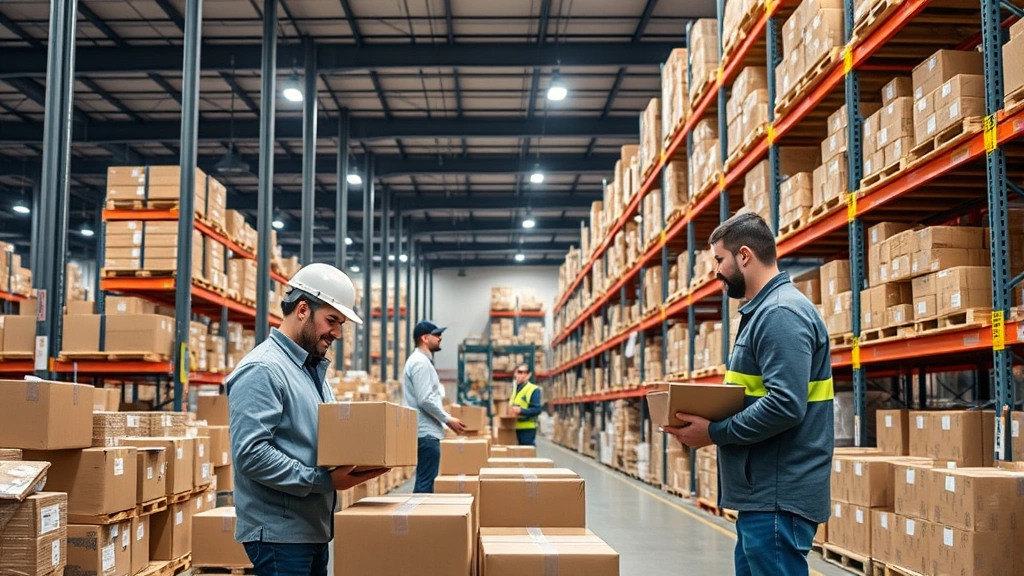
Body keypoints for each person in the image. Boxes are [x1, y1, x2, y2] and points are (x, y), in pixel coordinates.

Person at [662, 212, 834, 576]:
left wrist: (714, 432)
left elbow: (785, 405)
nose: (716, 272)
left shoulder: (780, 313)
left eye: (719, 260)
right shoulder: (762, 312)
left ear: (744, 255)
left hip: (777, 493)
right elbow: (758, 393)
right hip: (763, 493)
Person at [228, 263, 390, 576]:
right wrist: (325, 481)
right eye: (332, 320)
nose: (337, 333)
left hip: (311, 527)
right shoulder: (263, 370)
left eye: (340, 323)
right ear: (303, 309)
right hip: (280, 534)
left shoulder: (311, 370)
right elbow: (251, 454)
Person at [403, 320, 465, 493]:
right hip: (426, 433)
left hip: (426, 432)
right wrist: (448, 419)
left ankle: (422, 518)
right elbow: (425, 399)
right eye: (436, 335)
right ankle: (420, 519)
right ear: (424, 338)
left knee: (426, 482)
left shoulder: (421, 362)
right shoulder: (420, 363)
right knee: (425, 484)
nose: (440, 338)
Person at [509, 363, 542, 446]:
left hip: (527, 428)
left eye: (524, 373)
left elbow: (537, 409)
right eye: (519, 372)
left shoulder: (533, 389)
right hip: (514, 427)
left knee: (527, 454)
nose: (521, 375)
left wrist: (521, 411)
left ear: (529, 375)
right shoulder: (515, 390)